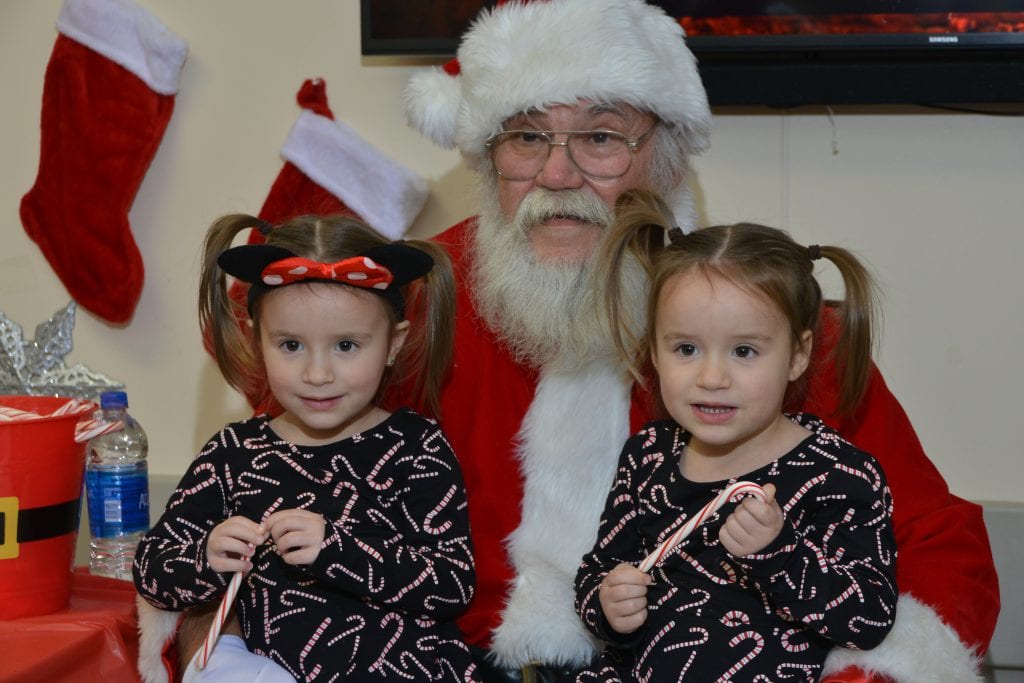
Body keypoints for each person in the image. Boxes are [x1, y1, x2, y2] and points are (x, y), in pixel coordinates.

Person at [401, 0, 999, 681]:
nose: (557, 175)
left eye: (601, 137)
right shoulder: (421, 298)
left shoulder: (761, 327)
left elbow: (936, 546)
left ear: (667, 162)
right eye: (527, 137)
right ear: (487, 158)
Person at [133, 214, 479, 681]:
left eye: (346, 346)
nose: (318, 374)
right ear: (257, 339)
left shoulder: (417, 448)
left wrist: (337, 550)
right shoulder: (235, 453)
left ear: (394, 344)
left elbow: (452, 584)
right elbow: (151, 572)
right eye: (291, 345)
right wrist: (206, 558)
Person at [572, 189, 898, 681]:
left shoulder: (840, 474)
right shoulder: (649, 455)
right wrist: (608, 604)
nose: (712, 378)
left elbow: (869, 618)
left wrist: (781, 551)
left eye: (744, 351)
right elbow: (599, 568)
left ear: (797, 355)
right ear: (653, 352)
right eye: (686, 349)